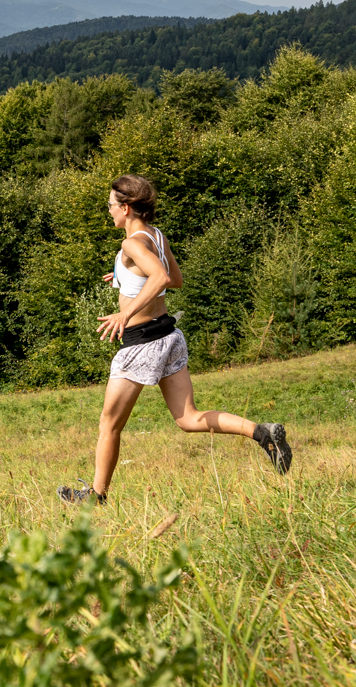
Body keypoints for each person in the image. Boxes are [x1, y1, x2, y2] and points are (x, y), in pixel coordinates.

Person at [58, 175, 291, 506]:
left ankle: (96, 496)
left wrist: (125, 314)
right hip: (168, 336)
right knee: (188, 419)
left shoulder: (131, 244)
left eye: (110, 205)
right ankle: (262, 432)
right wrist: (124, 276)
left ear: (126, 207)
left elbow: (161, 277)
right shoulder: (156, 235)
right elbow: (175, 280)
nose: (108, 210)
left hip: (141, 343)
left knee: (109, 424)